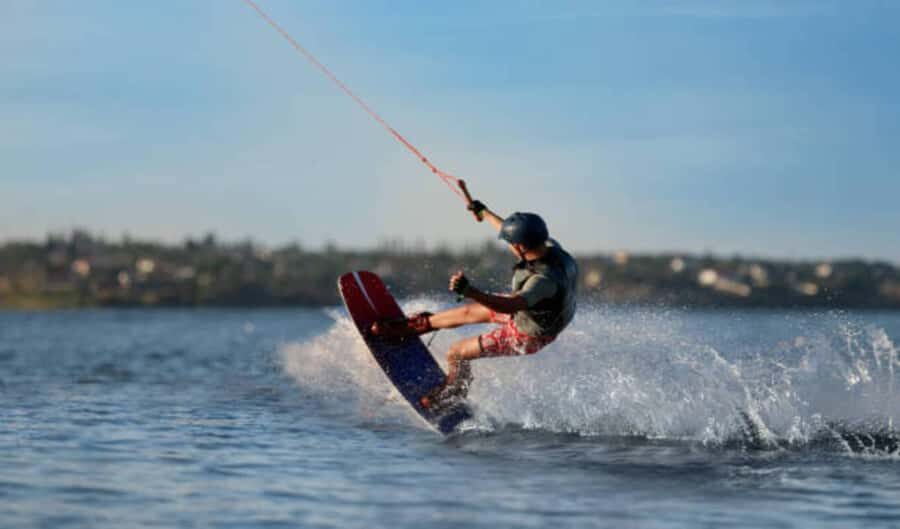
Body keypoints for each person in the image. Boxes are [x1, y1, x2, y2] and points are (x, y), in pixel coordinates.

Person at [370, 198, 579, 410]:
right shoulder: (549, 246)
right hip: (531, 311)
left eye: (510, 243)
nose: (509, 246)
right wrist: (484, 213)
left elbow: (511, 305)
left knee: (456, 352)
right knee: (468, 312)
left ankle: (455, 392)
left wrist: (470, 292)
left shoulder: (542, 281)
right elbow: (514, 231)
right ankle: (414, 326)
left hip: (529, 334)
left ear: (519, 246)